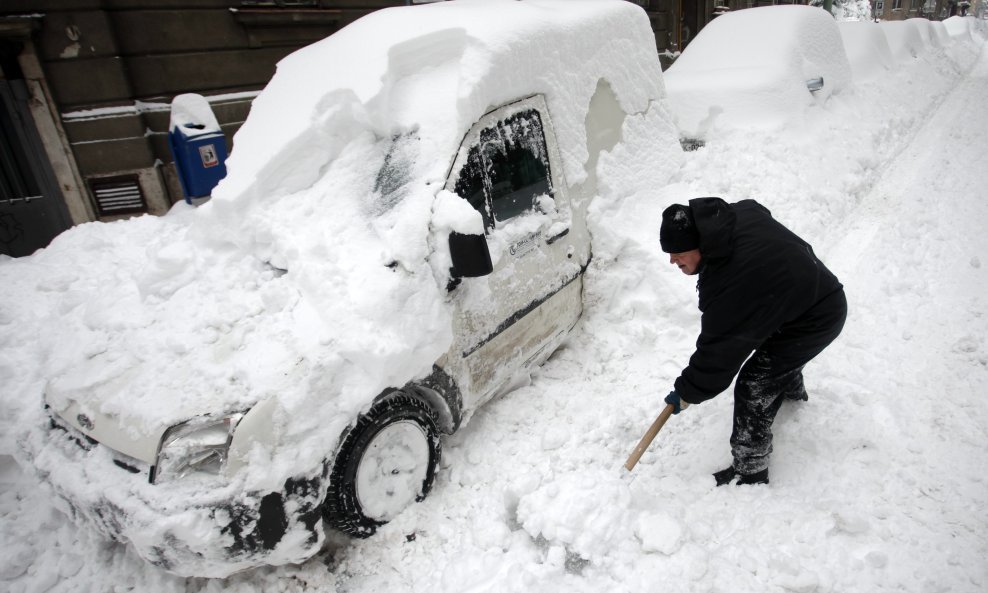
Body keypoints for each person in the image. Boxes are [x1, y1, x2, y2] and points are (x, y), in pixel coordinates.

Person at [660, 197, 847, 486]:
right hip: (799, 296)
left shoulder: (731, 282)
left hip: (817, 314)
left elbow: (718, 354)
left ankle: (751, 470)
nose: (673, 260)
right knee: (772, 350)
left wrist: (687, 391)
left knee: (754, 383)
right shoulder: (730, 218)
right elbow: (756, 208)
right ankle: (791, 392)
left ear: (701, 244)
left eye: (678, 252)